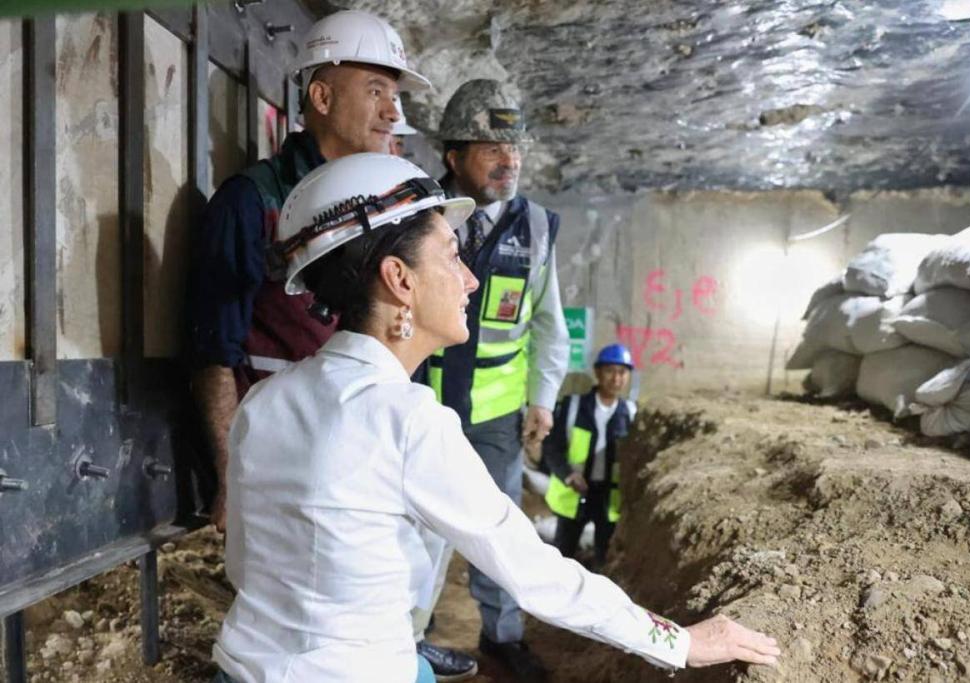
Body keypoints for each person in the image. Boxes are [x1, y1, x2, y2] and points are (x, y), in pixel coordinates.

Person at [212, 152, 781, 683]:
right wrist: (678, 642)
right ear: (399, 279)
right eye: (451, 256)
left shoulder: (262, 402)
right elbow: (533, 573)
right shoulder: (407, 419)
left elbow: (247, 566)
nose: (471, 279)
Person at [187, 10, 477, 680]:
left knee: (411, 553)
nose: (393, 111)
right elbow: (214, 350)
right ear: (321, 96)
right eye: (376, 90)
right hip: (298, 448)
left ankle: (405, 641)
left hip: (379, 426)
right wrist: (231, 477)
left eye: (395, 95)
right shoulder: (252, 200)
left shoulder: (394, 193)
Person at [420, 77, 569, 680]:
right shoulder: (419, 214)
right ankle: (409, 634)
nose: (509, 161)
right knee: (416, 527)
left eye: (516, 149)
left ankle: (502, 637)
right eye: (492, 149)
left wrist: (543, 401)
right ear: (454, 156)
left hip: (496, 420)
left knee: (498, 528)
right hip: (422, 406)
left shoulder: (537, 227)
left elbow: (549, 325)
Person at [544, 343, 636, 570]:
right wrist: (568, 475)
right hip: (575, 492)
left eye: (622, 372)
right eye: (610, 371)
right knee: (562, 555)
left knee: (604, 559)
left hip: (609, 497)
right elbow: (551, 448)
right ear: (597, 372)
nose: (616, 378)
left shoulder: (631, 414)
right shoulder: (573, 407)